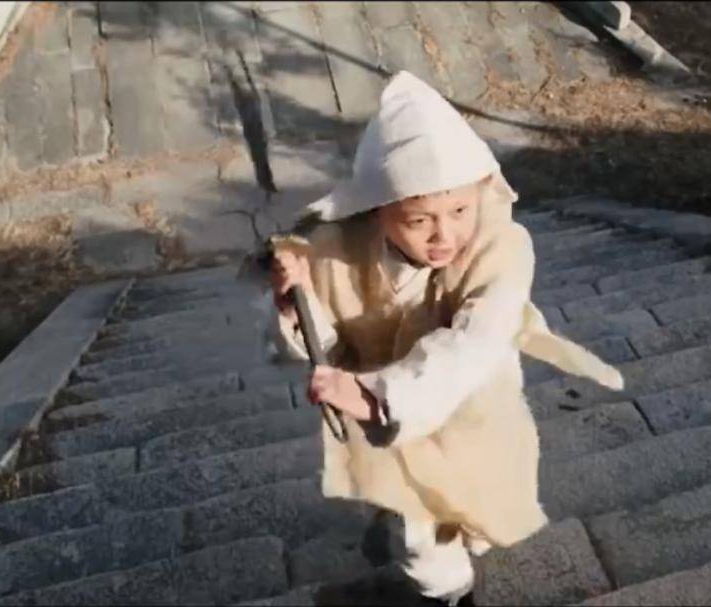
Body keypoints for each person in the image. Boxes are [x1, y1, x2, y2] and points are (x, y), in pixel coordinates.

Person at [267, 71, 623, 605]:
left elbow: (475, 340)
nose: (444, 235)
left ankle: (453, 579)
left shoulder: (501, 246)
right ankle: (444, 583)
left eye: (459, 210)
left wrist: (379, 397)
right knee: (414, 521)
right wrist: (297, 302)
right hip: (378, 414)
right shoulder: (339, 251)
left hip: (463, 404)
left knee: (454, 509)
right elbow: (325, 336)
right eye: (419, 220)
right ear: (378, 209)